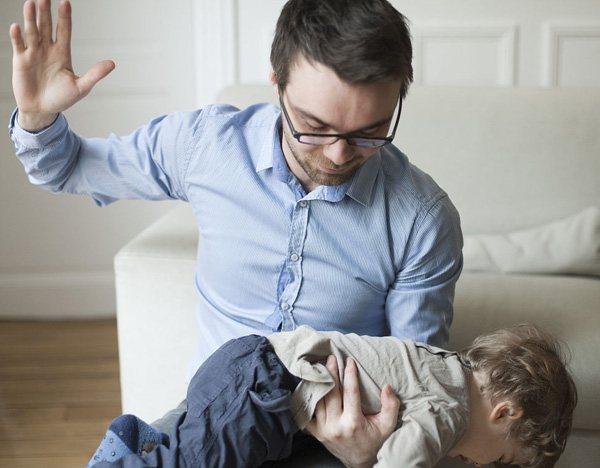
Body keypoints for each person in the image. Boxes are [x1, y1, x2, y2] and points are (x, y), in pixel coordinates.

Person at [7, 0, 463, 464]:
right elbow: (67, 169)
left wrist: (369, 450)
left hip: (334, 440)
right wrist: (38, 119)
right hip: (213, 419)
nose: (339, 154)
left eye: (371, 131)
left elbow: (419, 374)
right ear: (276, 80)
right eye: (313, 126)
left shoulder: (423, 219)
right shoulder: (206, 146)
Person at [86, 323, 577, 467]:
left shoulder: (442, 367)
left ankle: (146, 446)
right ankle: (124, 454)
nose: (485, 466)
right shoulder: (449, 409)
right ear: (504, 411)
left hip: (265, 392)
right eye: (505, 461)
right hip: (264, 385)